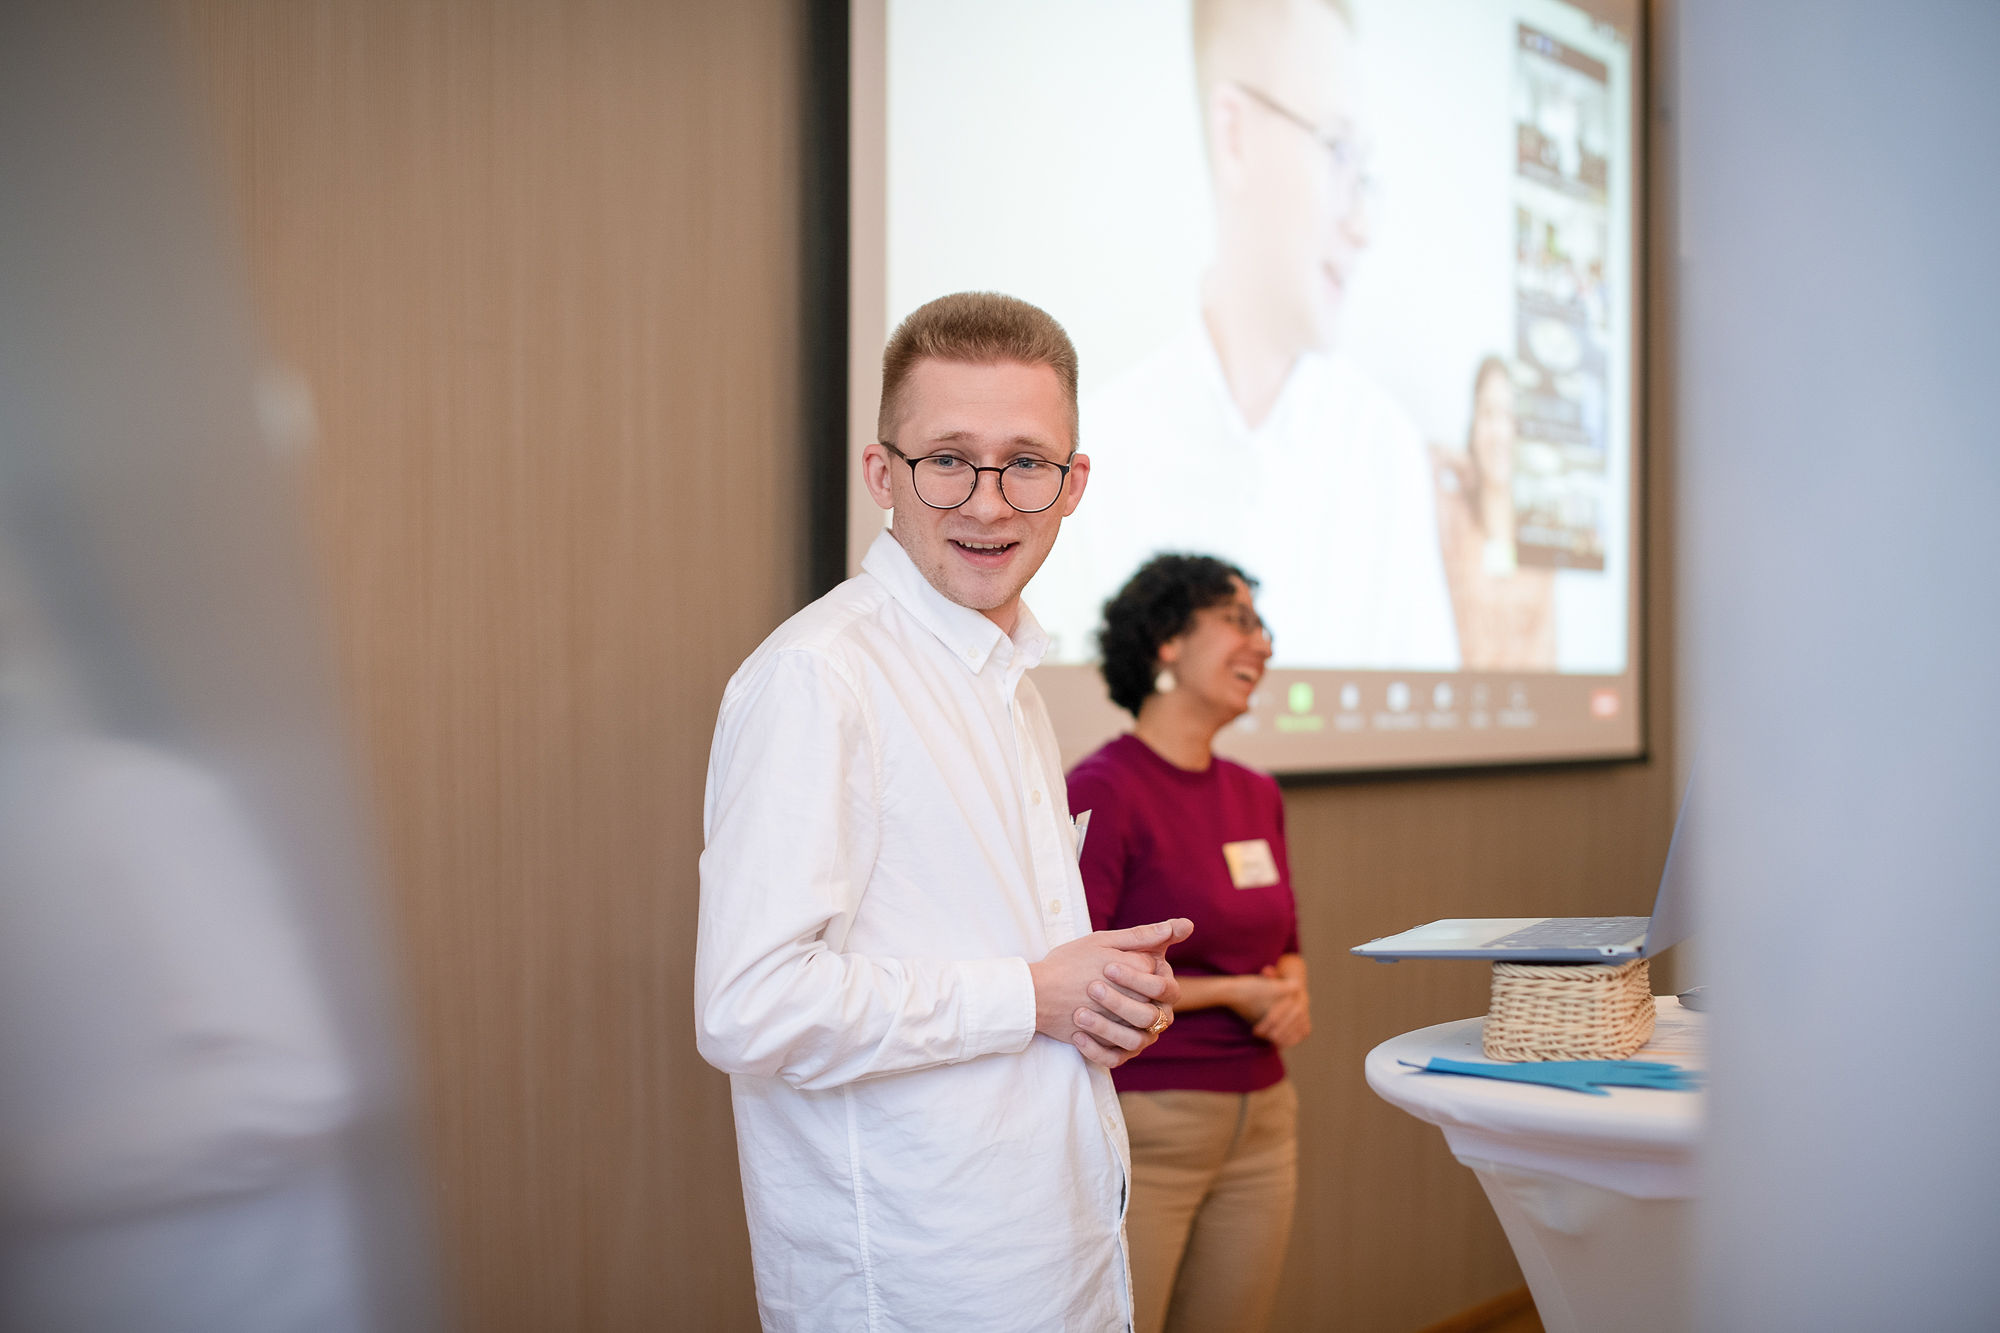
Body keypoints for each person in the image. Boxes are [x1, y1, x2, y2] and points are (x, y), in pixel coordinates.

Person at [695, 292, 1196, 1332]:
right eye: (948, 460)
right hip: (920, 1281)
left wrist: (1091, 999)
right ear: (883, 474)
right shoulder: (819, 677)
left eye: (1025, 462)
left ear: (1072, 484)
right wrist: (1033, 995)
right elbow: (750, 1005)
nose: (988, 503)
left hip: (1049, 1250)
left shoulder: (1003, 675)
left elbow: (983, 954)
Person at [1033, 0, 1457, 671]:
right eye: (1337, 151)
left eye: (1364, 172)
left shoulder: (1385, 455)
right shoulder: (1093, 461)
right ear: (1234, 136)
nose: (1362, 225)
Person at [1066, 554, 1307, 1333]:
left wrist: (1291, 987)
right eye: (1238, 622)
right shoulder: (1103, 788)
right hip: (1151, 1121)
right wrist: (1236, 991)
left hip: (1264, 1121)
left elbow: (1285, 942)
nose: (1262, 644)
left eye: (1262, 627)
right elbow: (1085, 973)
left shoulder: (1255, 792)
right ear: (1167, 641)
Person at [1432, 356, 1556, 669]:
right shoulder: (1454, 517)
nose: (1499, 432)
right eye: (1488, 414)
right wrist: (1459, 464)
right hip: (1459, 696)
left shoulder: (1539, 534)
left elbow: (1548, 652)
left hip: (1528, 698)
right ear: (1473, 425)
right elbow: (1415, 460)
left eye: (1508, 416)